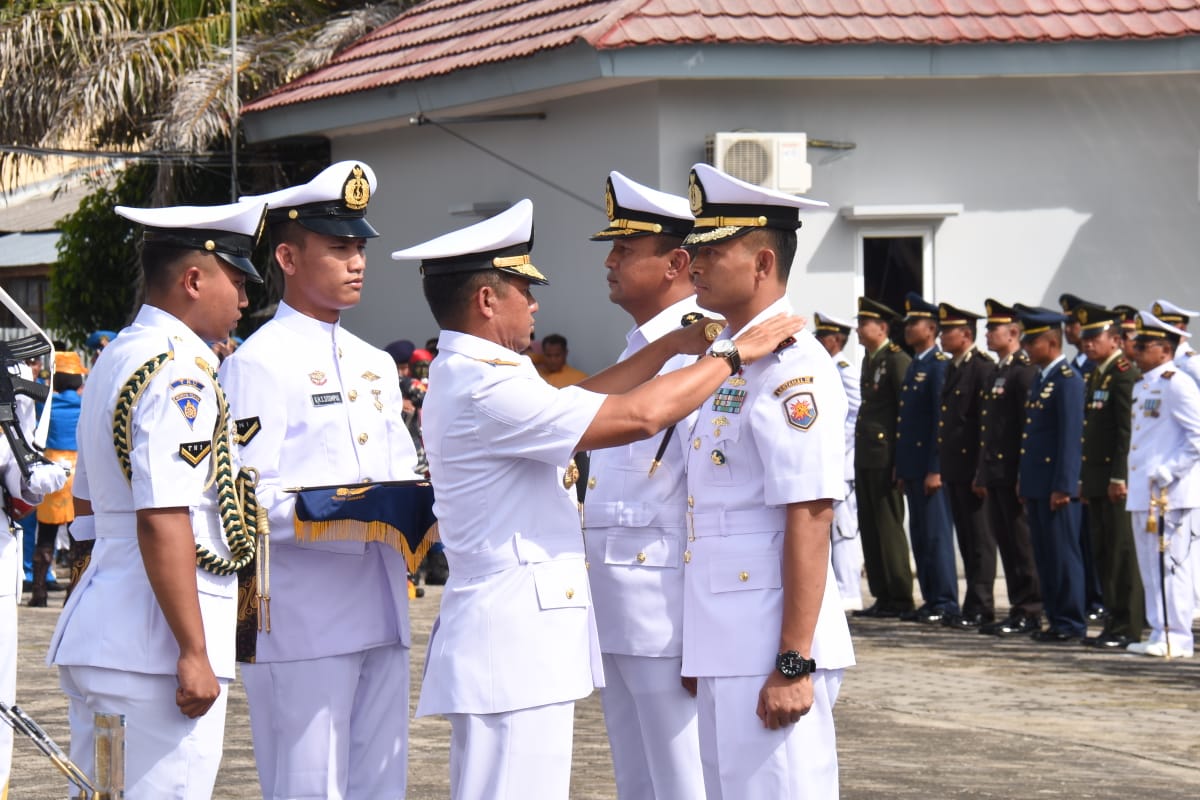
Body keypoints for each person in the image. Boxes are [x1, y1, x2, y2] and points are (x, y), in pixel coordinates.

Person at [393, 197, 802, 800]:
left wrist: (665, 348)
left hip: (514, 641)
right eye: (521, 290)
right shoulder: (487, 386)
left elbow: (579, 401)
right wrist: (733, 353)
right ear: (486, 300)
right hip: (511, 646)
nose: (534, 304)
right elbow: (637, 418)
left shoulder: (478, 374)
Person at [46, 198, 266, 799]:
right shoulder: (181, 373)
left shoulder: (118, 355)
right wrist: (194, 650)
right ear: (194, 279)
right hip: (156, 645)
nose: (245, 300)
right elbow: (163, 516)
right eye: (238, 281)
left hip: (110, 630)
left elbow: (88, 512)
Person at [219, 161, 422, 800]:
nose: (356, 261)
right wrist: (351, 507)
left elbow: (397, 473)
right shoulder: (258, 362)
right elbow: (242, 501)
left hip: (381, 599)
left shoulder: (372, 364)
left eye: (359, 247)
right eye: (338, 248)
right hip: (300, 612)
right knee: (310, 783)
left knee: (379, 781)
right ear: (287, 256)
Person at [681, 163, 854, 798]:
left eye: (712, 248)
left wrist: (792, 661)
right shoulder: (731, 358)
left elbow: (808, 514)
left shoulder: (792, 371)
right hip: (728, 635)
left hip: (770, 641)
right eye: (694, 248)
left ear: (760, 263)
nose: (694, 262)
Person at [581, 171, 706, 799]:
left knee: (683, 780)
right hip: (620, 607)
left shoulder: (697, 355)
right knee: (639, 780)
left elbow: (704, 498)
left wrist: (700, 632)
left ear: (675, 262)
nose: (609, 261)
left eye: (625, 250)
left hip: (670, 617)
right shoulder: (647, 347)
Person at [1125, 310, 1200, 658]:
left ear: (1164, 350)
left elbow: (1197, 436)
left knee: (1172, 565)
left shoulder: (1177, 382)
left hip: (1170, 493)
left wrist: (1171, 470)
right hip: (1145, 492)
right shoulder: (1145, 385)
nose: (1135, 350)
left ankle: (1178, 637)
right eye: (1135, 344)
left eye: (1143, 345)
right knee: (1150, 567)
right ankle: (1159, 630)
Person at [1015, 305, 1087, 643]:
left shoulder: (1068, 381)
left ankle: (1071, 621)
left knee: (1063, 554)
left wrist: (1064, 485)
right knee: (1044, 554)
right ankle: (1056, 618)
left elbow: (1070, 439)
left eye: (1031, 342)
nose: (1026, 349)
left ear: (1051, 342)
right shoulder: (1042, 379)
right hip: (1038, 484)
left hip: (1057, 486)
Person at [1076, 303, 1144, 649]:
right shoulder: (1096, 374)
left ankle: (1128, 626)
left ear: (1115, 339)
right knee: (1103, 552)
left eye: (1095, 337)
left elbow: (1125, 433)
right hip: (1097, 479)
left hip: (1115, 481)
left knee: (1121, 553)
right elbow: (1090, 432)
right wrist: (1085, 479)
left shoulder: (1122, 374)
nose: (1087, 344)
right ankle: (1112, 621)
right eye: (1085, 338)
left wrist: (1120, 477)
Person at [975, 300, 1044, 636]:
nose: (987, 334)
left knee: (1021, 543)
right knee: (1005, 540)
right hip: (997, 472)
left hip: (1014, 472)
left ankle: (1031, 608)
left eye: (993, 328)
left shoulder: (1023, 371)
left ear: (1013, 333)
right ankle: (1018, 605)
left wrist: (1021, 474)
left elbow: (1024, 428)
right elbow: (991, 429)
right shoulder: (1000, 370)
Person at [896, 293, 958, 624]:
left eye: (914, 323)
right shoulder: (916, 364)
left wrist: (936, 467)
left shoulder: (938, 366)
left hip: (929, 469)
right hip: (913, 467)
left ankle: (946, 600)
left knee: (936, 536)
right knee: (919, 536)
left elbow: (939, 421)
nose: (908, 329)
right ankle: (931, 598)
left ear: (931, 328)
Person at [935, 302, 997, 629]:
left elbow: (985, 426)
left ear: (966, 334)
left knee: (980, 540)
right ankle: (970, 603)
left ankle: (982, 605)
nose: (942, 336)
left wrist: (982, 470)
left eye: (948, 331)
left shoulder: (983, 368)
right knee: (966, 540)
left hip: (974, 469)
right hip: (955, 469)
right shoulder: (954, 367)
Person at [851, 297, 914, 618]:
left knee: (888, 526)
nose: (858, 329)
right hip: (867, 454)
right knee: (871, 526)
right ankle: (882, 594)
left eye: (864, 324)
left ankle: (900, 594)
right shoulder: (870, 359)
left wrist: (901, 462)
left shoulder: (897, 359)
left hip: (886, 456)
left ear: (882, 327)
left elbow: (906, 413)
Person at [814, 311, 864, 611]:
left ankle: (850, 592)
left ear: (836, 340)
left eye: (823, 337)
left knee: (845, 529)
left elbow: (856, 415)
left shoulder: (843, 369)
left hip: (842, 463)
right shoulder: (826, 367)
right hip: (830, 462)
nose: (818, 341)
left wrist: (835, 448)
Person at [1059, 293, 1105, 621]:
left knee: (1097, 538)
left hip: (1098, 466)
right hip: (1081, 466)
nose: (1069, 329)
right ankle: (1088, 595)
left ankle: (1100, 597)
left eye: (1073, 323)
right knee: (1082, 537)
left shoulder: (1101, 368)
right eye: (1067, 323)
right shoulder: (1075, 366)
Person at [29, 350, 87, 606]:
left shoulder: (45, 403)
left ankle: (38, 594)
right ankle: (72, 594)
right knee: (78, 539)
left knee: (46, 536)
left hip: (52, 471)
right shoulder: (85, 403)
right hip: (78, 473)